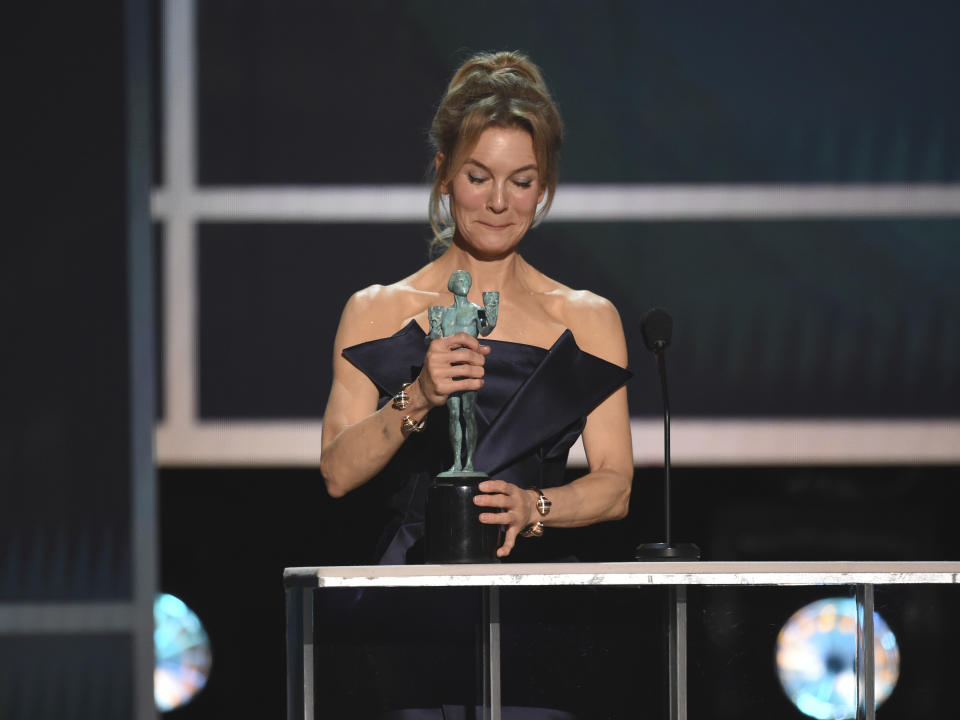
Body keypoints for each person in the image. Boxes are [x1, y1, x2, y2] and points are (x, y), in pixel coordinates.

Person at [318, 51, 634, 717]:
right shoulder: (375, 309)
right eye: (479, 176)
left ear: (543, 188)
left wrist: (535, 508)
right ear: (443, 177)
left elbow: (615, 484)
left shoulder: (587, 319)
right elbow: (338, 472)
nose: (499, 202)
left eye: (521, 181)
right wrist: (419, 398)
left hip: (534, 614)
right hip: (407, 610)